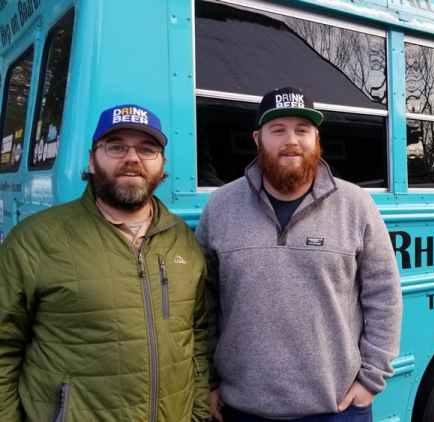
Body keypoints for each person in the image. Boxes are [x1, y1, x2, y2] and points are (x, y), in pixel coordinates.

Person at [197, 87, 402, 422]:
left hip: (336, 409)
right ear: (257, 138)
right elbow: (203, 304)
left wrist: (371, 378)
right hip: (242, 409)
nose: (291, 140)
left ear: (316, 138)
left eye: (302, 130)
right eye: (277, 130)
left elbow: (384, 296)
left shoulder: (356, 205)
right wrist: (208, 381)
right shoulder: (220, 206)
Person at [0, 104, 211, 421]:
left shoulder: (183, 240)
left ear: (162, 165)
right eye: (116, 147)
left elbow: (197, 337)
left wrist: (198, 413)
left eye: (147, 149)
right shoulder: (35, 240)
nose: (132, 158)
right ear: (91, 159)